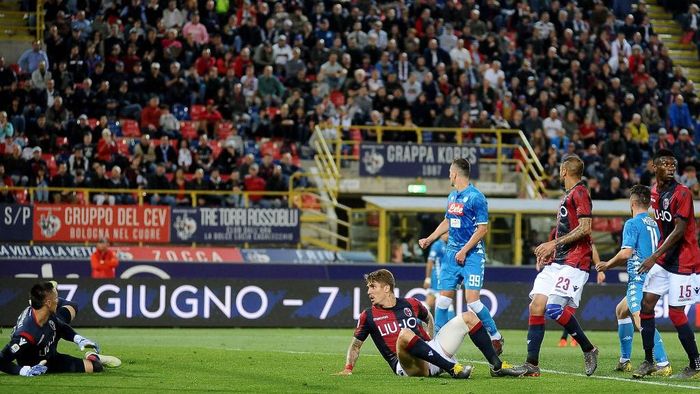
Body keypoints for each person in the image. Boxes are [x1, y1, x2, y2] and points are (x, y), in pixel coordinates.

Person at [337, 269, 525, 378]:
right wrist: (348, 368)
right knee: (405, 334)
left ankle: (497, 366)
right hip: (408, 365)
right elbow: (356, 345)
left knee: (469, 316)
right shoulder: (368, 316)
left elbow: (428, 318)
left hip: (430, 351)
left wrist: (429, 340)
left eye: (373, 287)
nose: (369, 291)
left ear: (386, 288)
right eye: (368, 287)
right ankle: (452, 368)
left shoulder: (411, 303)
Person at [523, 154, 598, 377]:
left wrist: (553, 243)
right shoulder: (568, 196)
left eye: (559, 169)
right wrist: (552, 252)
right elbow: (569, 229)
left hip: (575, 262)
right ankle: (532, 365)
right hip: (560, 260)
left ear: (564, 171)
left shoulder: (580, 192)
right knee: (536, 306)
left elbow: (586, 228)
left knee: (554, 309)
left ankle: (589, 349)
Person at [418, 158, 504, 354]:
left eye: (450, 172)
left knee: (472, 301)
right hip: (452, 254)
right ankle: (438, 345)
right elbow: (447, 221)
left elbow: (482, 229)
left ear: (455, 174)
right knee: (442, 301)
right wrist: (430, 239)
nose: (449, 175)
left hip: (472, 255)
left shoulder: (477, 197)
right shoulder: (451, 196)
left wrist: (464, 250)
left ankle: (496, 336)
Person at [635, 149, 700, 379]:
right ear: (654, 167)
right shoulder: (653, 193)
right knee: (646, 304)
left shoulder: (682, 194)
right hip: (665, 259)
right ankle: (649, 360)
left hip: (684, 261)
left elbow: (679, 231)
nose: (671, 167)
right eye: (665, 164)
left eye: (673, 164)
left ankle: (696, 364)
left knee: (675, 314)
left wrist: (653, 256)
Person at [596, 184, 671, 376]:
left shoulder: (632, 223)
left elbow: (626, 253)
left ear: (632, 202)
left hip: (638, 278)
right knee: (621, 311)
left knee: (641, 318)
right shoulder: (654, 223)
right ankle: (624, 360)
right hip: (653, 276)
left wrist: (607, 265)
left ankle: (663, 363)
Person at [0, 281, 120, 376]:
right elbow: (1, 360)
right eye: (56, 299)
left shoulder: (46, 314)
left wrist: (78, 339)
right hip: (42, 362)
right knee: (96, 367)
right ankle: (95, 357)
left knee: (72, 306)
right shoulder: (25, 334)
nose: (58, 301)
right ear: (48, 303)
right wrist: (22, 371)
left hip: (48, 342)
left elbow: (61, 327)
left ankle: (49, 289)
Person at [423, 233, 454, 321]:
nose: (449, 235)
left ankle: (417, 322)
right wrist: (428, 278)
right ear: (442, 234)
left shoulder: (448, 245)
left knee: (432, 301)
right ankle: (417, 323)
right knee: (444, 301)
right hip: (437, 277)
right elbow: (430, 261)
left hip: (444, 278)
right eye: (448, 233)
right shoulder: (437, 245)